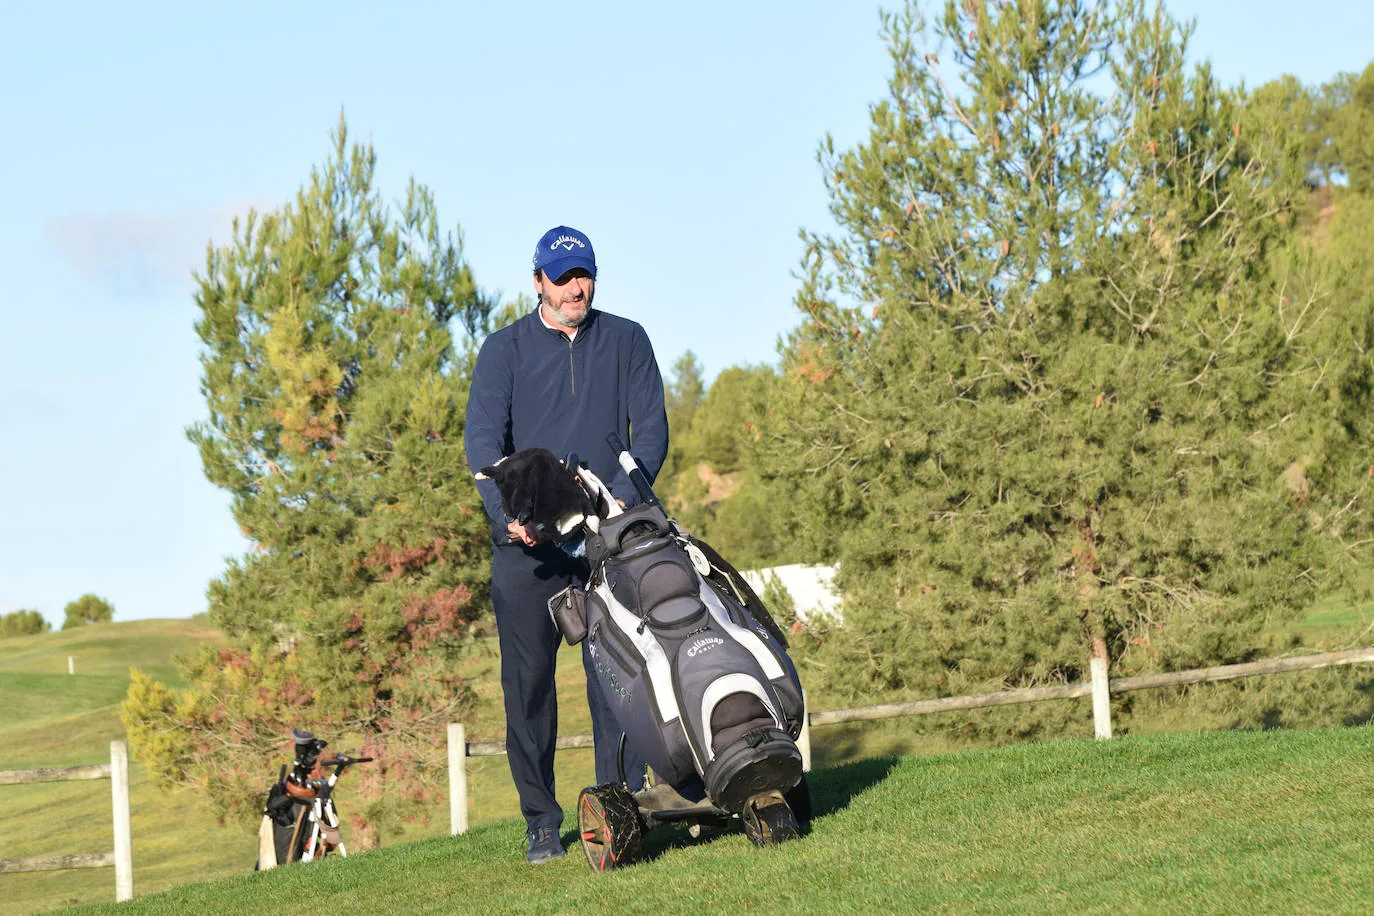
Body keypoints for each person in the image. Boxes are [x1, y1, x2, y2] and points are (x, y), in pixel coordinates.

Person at [464, 225, 669, 864]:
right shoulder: (503, 351)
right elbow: (481, 447)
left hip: (606, 541)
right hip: (526, 551)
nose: (576, 287)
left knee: (619, 675)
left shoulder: (627, 339)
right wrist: (512, 517)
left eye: (585, 274)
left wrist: (608, 509)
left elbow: (652, 434)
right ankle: (541, 823)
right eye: (562, 277)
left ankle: (623, 801)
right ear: (538, 283)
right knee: (529, 687)